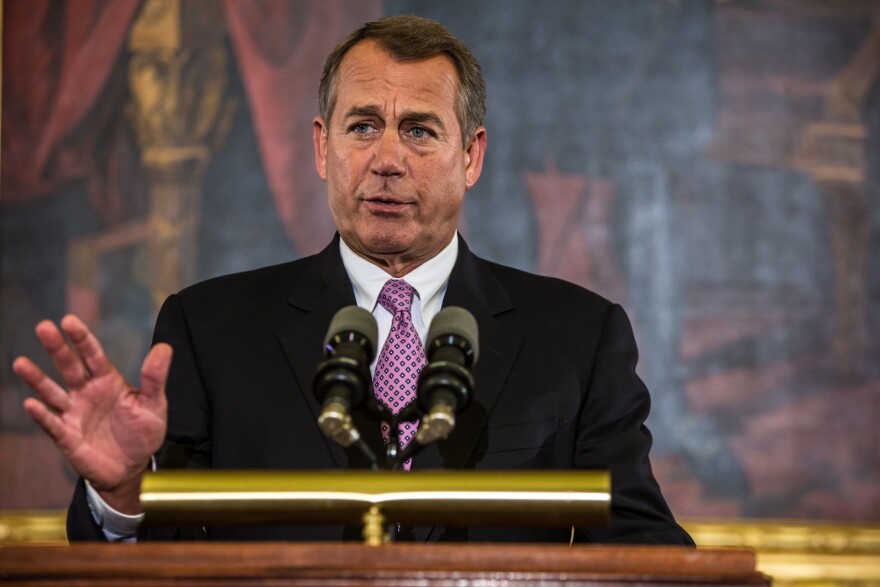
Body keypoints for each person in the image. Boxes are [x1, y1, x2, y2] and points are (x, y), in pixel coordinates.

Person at [13, 15, 693, 545]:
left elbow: (644, 548)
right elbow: (159, 561)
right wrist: (125, 490)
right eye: (363, 125)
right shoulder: (210, 328)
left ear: (472, 156)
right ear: (321, 146)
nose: (388, 159)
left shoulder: (577, 335)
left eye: (420, 131)